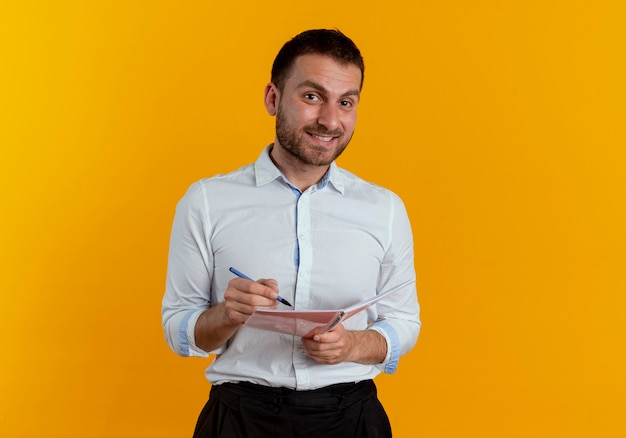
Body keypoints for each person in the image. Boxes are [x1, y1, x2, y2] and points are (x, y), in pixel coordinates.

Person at [161, 28, 421, 438]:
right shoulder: (206, 201)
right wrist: (227, 315)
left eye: (346, 102)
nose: (330, 120)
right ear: (273, 98)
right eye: (312, 96)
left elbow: (404, 322)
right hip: (240, 421)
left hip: (351, 419)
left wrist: (351, 346)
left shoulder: (384, 209)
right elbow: (179, 329)